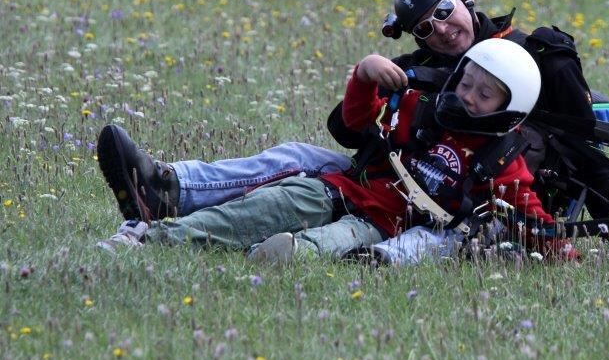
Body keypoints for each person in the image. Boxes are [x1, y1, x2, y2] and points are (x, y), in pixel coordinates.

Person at [97, 0, 609, 252]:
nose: (442, 29)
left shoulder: (539, 56)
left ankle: (187, 211)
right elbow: (349, 133)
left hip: (477, 201)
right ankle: (169, 189)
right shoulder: (415, 69)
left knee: (311, 181)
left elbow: (588, 150)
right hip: (392, 179)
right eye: (425, 25)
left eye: (446, 11)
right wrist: (365, 75)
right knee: (296, 157)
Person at [99, 39, 571, 262]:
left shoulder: (502, 161)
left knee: (327, 247)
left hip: (378, 229)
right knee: (270, 205)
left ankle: (280, 255)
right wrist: (364, 75)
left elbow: (530, 217)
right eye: (466, 82)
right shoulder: (424, 108)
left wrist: (567, 250)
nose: (468, 96)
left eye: (484, 94)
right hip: (343, 191)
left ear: (510, 109)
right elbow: (357, 122)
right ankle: (150, 236)